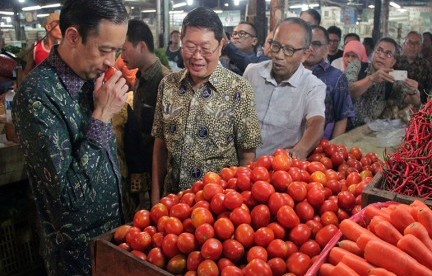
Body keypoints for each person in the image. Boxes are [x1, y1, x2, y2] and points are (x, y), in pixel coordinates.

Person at [11, 0, 129, 274]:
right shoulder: (37, 96)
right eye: (104, 50)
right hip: (77, 256)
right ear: (73, 37)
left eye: (117, 50)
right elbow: (67, 202)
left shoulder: (92, 79)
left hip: (112, 239)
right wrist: (101, 116)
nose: (111, 62)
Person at [151, 7, 261, 204]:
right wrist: (155, 199)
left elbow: (247, 155)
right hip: (171, 205)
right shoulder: (168, 85)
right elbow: (160, 147)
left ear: (220, 45)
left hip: (217, 211)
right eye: (190, 47)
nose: (197, 56)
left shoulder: (239, 89)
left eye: (206, 48)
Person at [244, 17, 326, 160]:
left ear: (305, 54)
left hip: (276, 170)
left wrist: (301, 149)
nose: (279, 55)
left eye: (289, 50)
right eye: (275, 46)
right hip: (241, 165)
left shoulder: (313, 86)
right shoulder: (252, 73)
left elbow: (316, 122)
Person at [120, 19, 171, 207]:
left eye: (124, 49)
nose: (121, 55)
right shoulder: (140, 76)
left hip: (158, 169)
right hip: (143, 165)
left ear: (141, 46)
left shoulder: (165, 81)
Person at [348, 37, 421, 128]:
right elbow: (348, 91)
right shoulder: (356, 66)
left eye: (388, 54)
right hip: (346, 128)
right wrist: (371, 79)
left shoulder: (391, 79)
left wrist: (413, 91)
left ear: (393, 62)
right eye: (379, 50)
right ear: (373, 53)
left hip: (370, 133)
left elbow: (415, 102)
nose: (381, 56)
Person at [303, 26, 354, 139]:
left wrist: (332, 147)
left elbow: (342, 117)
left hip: (321, 144)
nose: (310, 48)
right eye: (306, 42)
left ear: (326, 49)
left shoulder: (336, 77)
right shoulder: (291, 71)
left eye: (316, 44)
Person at [395, 31, 432, 104]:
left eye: (416, 43)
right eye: (409, 43)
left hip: (417, 107)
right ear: (404, 44)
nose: (412, 46)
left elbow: (430, 90)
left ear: (421, 47)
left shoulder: (426, 66)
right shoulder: (395, 62)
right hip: (395, 107)